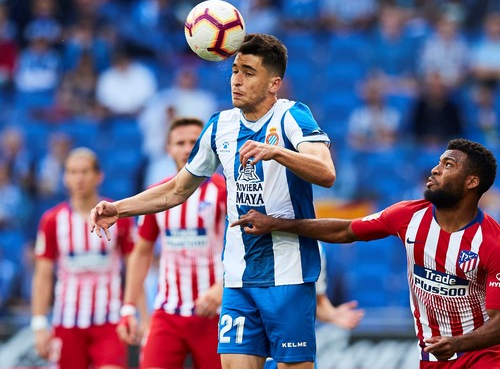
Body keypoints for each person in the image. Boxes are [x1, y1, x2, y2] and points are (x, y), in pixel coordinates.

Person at [90, 33, 336, 369]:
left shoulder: (292, 116)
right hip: (237, 278)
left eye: (248, 73)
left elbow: (325, 172)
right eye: (235, 70)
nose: (236, 80)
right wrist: (119, 208)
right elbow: (176, 190)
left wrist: (277, 152)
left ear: (273, 83)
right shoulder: (220, 126)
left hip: (288, 275)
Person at [232, 138, 500, 368]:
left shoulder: (493, 244)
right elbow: (345, 231)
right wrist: (276, 224)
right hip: (434, 358)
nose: (435, 169)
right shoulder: (408, 216)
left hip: (484, 358)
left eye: (448, 165)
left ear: (471, 182)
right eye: (438, 162)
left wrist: (458, 343)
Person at [117, 117, 227, 369]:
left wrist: (221, 287)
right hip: (168, 313)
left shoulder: (224, 191)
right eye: (180, 142)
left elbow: (245, 248)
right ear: (168, 149)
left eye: (194, 142)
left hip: (215, 312)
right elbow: (141, 253)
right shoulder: (156, 196)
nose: (188, 148)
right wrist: (128, 307)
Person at [31, 148, 137, 369]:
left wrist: (140, 314)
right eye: (72, 172)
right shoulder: (52, 220)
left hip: (109, 321)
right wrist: (39, 323)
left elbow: (135, 266)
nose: (79, 178)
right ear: (65, 178)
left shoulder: (118, 216)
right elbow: (42, 276)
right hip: (67, 321)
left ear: (99, 176)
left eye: (85, 171)